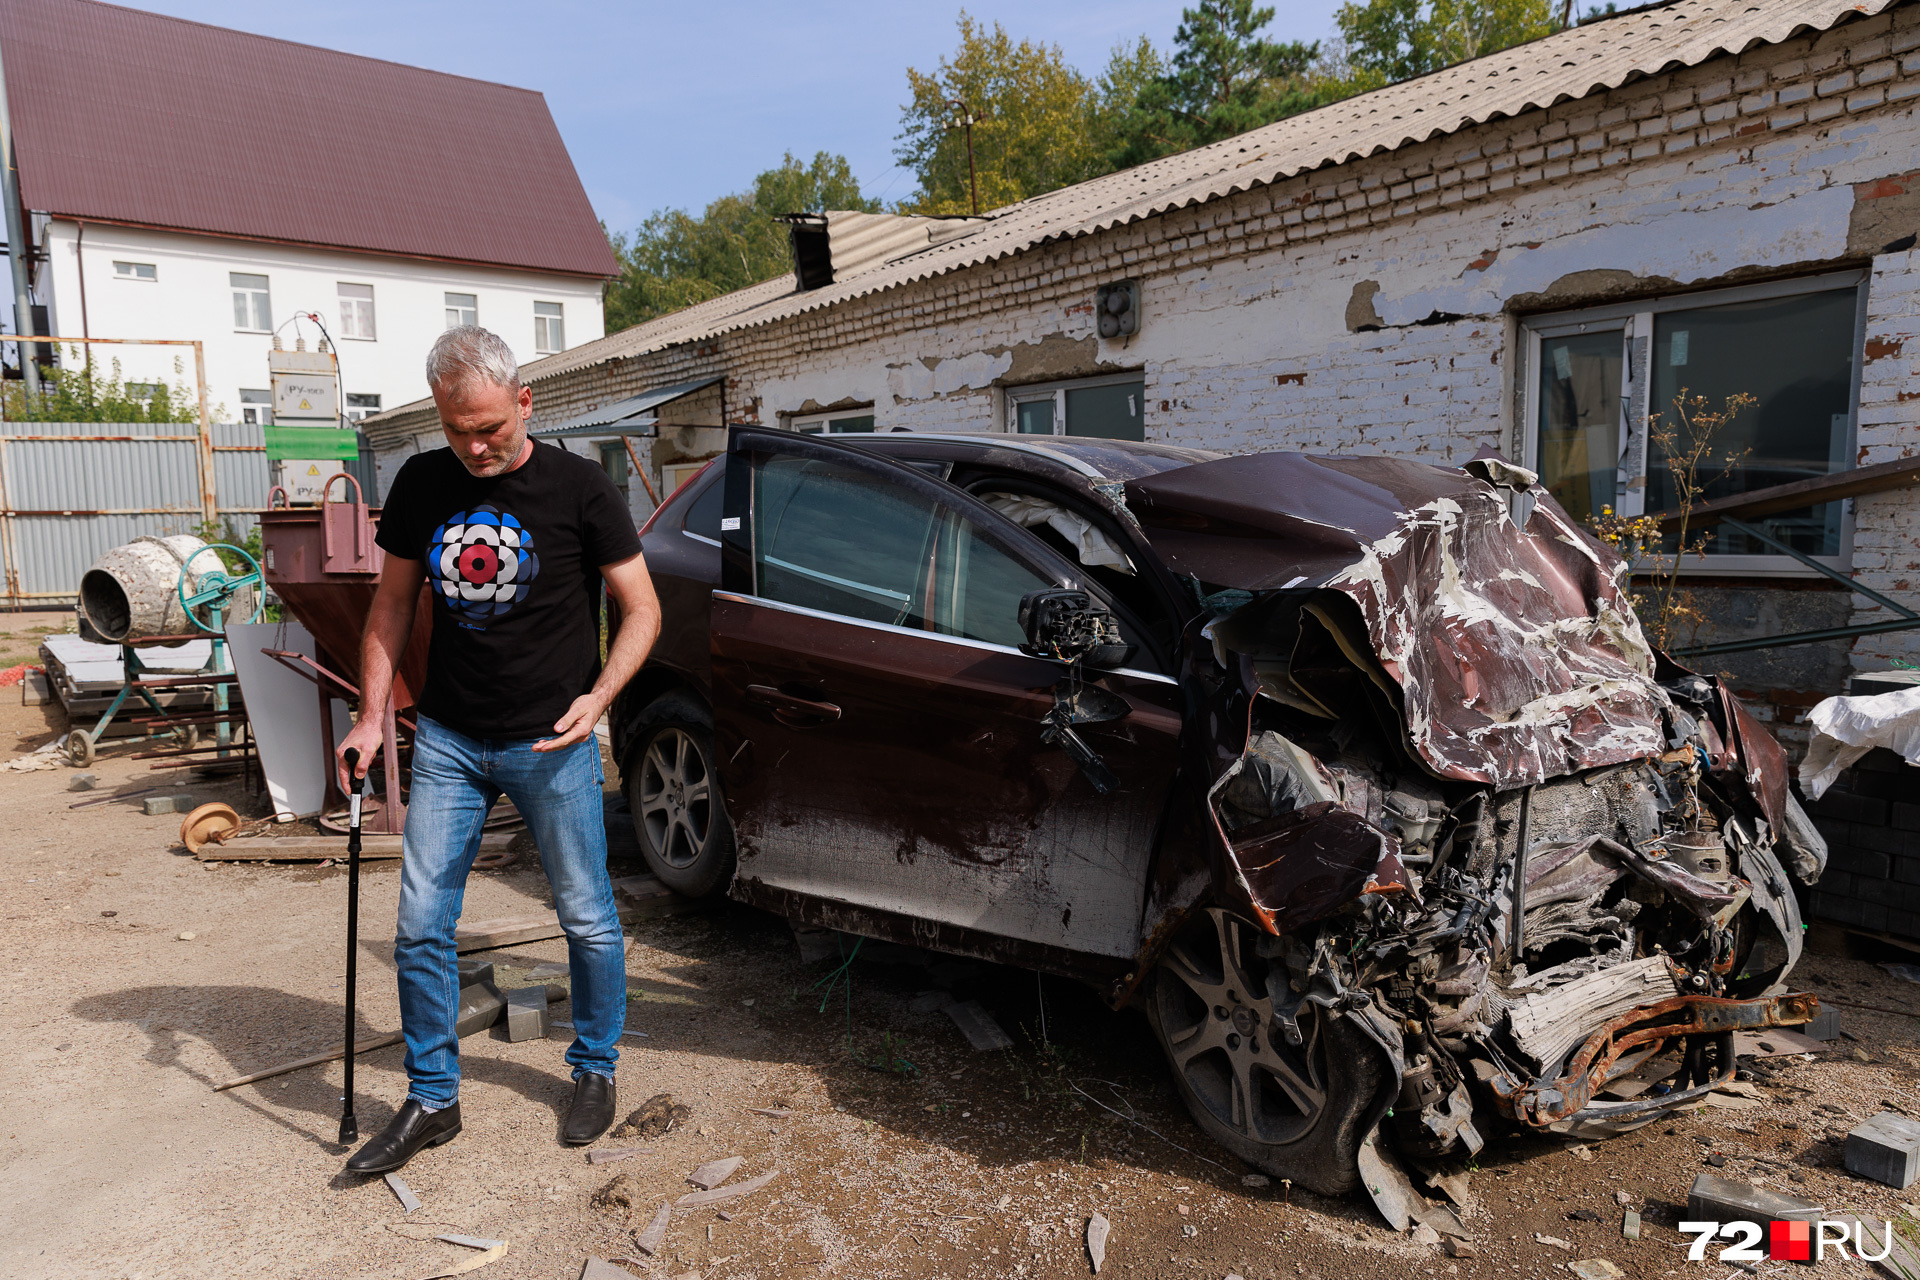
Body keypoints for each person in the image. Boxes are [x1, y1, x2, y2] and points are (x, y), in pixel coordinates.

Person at [336, 326, 661, 1174]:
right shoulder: (420, 482)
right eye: (456, 430)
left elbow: (643, 610)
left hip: (552, 743)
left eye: (489, 427)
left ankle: (594, 1068)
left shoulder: (582, 489)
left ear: (525, 401)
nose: (475, 446)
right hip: (448, 737)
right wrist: (373, 716)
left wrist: (600, 700)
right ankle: (433, 1099)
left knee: (586, 918)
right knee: (418, 927)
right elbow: (390, 606)